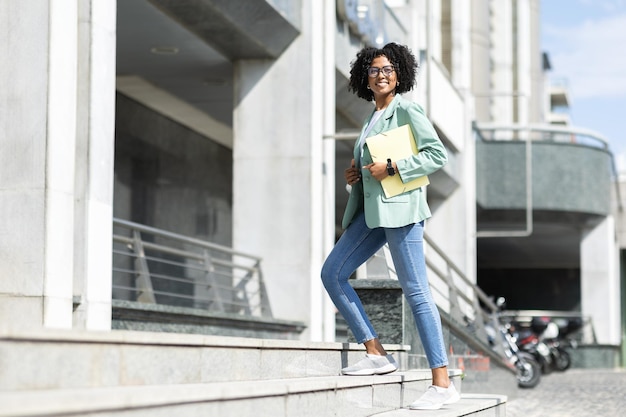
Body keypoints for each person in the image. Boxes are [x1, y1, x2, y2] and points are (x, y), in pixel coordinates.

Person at [320, 42, 460, 410]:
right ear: (364, 77)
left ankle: (442, 383)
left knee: (417, 293)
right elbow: (371, 167)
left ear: (399, 76)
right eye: (374, 70)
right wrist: (355, 175)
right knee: (333, 273)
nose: (381, 76)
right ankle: (376, 352)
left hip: (401, 211)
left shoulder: (407, 109)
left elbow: (436, 154)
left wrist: (394, 168)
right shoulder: (371, 118)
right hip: (372, 212)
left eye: (388, 70)